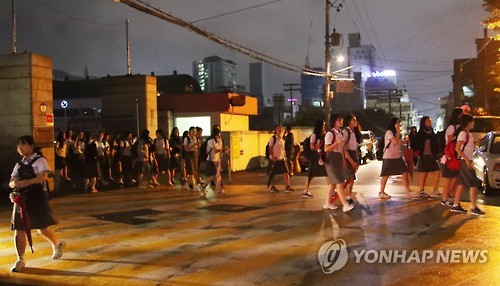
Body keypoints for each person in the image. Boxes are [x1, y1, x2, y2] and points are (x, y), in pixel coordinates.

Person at [9, 135, 65, 272]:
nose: (20, 148)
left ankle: (57, 245)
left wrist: (26, 182)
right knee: (19, 229)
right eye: (18, 146)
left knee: (42, 228)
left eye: (23, 145)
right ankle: (20, 259)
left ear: (31, 146)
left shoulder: (40, 160)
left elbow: (43, 176)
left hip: (36, 197)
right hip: (21, 199)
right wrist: (14, 187)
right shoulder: (18, 165)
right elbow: (11, 181)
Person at [451, 114, 485, 215]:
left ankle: (456, 205)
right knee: (474, 183)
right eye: (472, 121)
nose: (473, 123)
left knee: (461, 184)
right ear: (469, 122)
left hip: (466, 160)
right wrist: (466, 160)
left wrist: (476, 142)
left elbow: (467, 147)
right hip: (465, 161)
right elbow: (457, 148)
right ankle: (473, 206)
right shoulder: (463, 133)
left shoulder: (467, 134)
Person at [379, 117, 417, 199]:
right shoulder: (389, 132)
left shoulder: (397, 133)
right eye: (397, 123)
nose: (399, 125)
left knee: (405, 172)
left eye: (399, 123)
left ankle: (408, 191)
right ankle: (381, 192)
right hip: (388, 156)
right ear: (393, 124)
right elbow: (395, 142)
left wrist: (405, 141)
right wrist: (399, 133)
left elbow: (399, 143)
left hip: (397, 156)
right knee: (385, 174)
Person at [323, 113, 354, 212]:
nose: (341, 121)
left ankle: (328, 203)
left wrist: (343, 160)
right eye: (338, 120)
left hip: (338, 158)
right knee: (339, 182)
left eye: (341, 120)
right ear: (333, 122)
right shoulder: (330, 133)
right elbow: (326, 148)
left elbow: (341, 149)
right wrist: (336, 143)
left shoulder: (340, 132)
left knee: (333, 183)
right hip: (331, 159)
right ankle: (345, 204)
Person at [440, 107, 463, 207]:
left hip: (456, 156)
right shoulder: (452, 127)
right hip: (451, 156)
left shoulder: (459, 127)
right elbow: (449, 140)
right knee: (449, 177)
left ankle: (451, 195)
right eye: (461, 114)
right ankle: (445, 198)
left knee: (455, 177)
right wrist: (457, 136)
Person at [414, 116, 441, 198]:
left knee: (437, 171)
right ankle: (421, 190)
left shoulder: (431, 131)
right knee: (424, 173)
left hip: (431, 154)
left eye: (430, 121)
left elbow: (435, 142)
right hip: (423, 154)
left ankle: (435, 188)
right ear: (424, 122)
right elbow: (417, 143)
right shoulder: (421, 132)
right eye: (428, 121)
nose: (430, 122)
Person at [302, 120, 327, 198]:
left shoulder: (322, 135)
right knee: (311, 174)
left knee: (326, 172)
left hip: (320, 155)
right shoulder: (314, 135)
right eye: (323, 125)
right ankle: (305, 190)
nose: (324, 127)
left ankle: (333, 189)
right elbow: (311, 146)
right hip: (315, 156)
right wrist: (317, 147)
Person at [267, 125, 295, 193]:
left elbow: (283, 148)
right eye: (278, 129)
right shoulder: (273, 138)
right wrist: (272, 156)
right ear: (276, 130)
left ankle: (287, 186)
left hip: (281, 158)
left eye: (281, 129)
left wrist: (284, 156)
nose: (280, 130)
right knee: (273, 173)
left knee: (286, 172)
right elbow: (270, 148)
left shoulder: (282, 138)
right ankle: (272, 187)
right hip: (274, 159)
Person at [200, 126, 228, 195]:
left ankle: (218, 189)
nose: (220, 134)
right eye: (219, 133)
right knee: (214, 175)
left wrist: (224, 151)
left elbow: (220, 150)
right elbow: (215, 150)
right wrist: (223, 149)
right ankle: (203, 186)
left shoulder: (218, 140)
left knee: (218, 175)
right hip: (211, 160)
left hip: (217, 159)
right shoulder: (211, 140)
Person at [343, 115, 360, 205]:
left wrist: (356, 159)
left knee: (351, 177)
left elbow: (355, 147)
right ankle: (345, 195)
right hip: (349, 156)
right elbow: (344, 148)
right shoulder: (346, 132)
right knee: (349, 177)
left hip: (353, 156)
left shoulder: (353, 132)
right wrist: (350, 160)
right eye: (354, 120)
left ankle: (348, 195)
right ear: (349, 121)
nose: (355, 122)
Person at [184, 127, 201, 191]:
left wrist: (198, 146)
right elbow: (186, 149)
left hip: (195, 154)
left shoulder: (195, 138)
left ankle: (188, 184)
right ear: (190, 131)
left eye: (195, 131)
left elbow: (196, 147)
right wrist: (194, 145)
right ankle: (193, 185)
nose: (195, 133)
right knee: (190, 170)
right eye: (193, 131)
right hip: (189, 155)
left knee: (194, 170)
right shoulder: (187, 138)